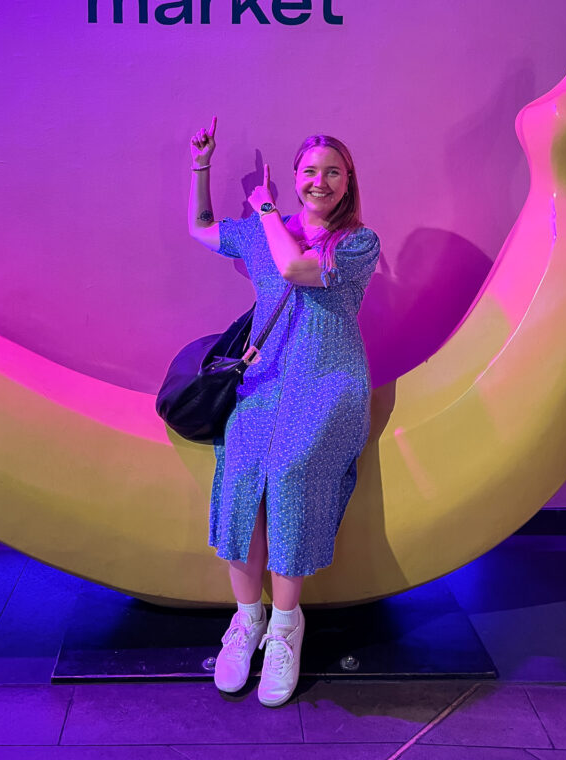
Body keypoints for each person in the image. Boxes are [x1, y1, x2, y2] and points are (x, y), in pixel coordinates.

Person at [188, 116, 380, 707]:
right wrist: (200, 167)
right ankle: (246, 621)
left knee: (294, 473)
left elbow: (297, 268)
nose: (320, 181)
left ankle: (285, 628)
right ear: (298, 178)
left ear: (348, 181)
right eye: (310, 171)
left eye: (332, 172)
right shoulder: (269, 230)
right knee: (243, 475)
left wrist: (265, 206)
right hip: (266, 381)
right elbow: (200, 229)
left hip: (329, 383)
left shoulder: (357, 243)